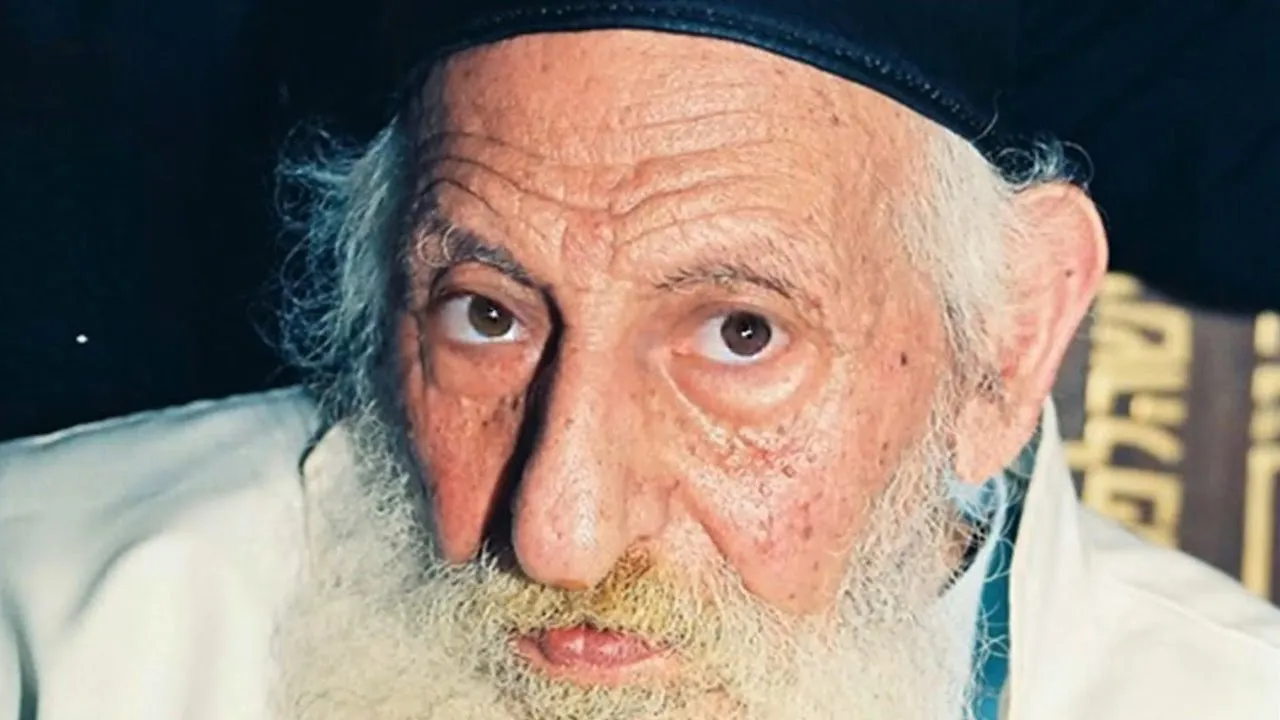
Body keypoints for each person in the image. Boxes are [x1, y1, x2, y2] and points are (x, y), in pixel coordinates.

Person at [2, 3, 1278, 719]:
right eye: (485, 316)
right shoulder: (46, 624)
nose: (559, 536)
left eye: (739, 334)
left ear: (1003, 342)